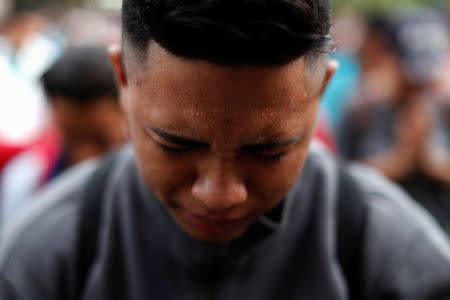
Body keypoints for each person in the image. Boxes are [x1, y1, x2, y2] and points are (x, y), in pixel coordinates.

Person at [0, 1, 450, 299]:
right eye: (176, 144)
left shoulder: (398, 259)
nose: (219, 194)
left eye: (269, 150)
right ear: (122, 79)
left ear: (321, 92)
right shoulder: (46, 256)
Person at [337, 10, 450, 234]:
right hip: (383, 234)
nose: (419, 84)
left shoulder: (444, 106)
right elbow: (342, 180)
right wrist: (401, 160)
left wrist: (430, 161)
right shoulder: (362, 109)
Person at [0, 46, 126, 238]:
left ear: (128, 112)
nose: (85, 155)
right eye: (71, 138)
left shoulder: (156, 188)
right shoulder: (26, 178)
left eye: (99, 139)